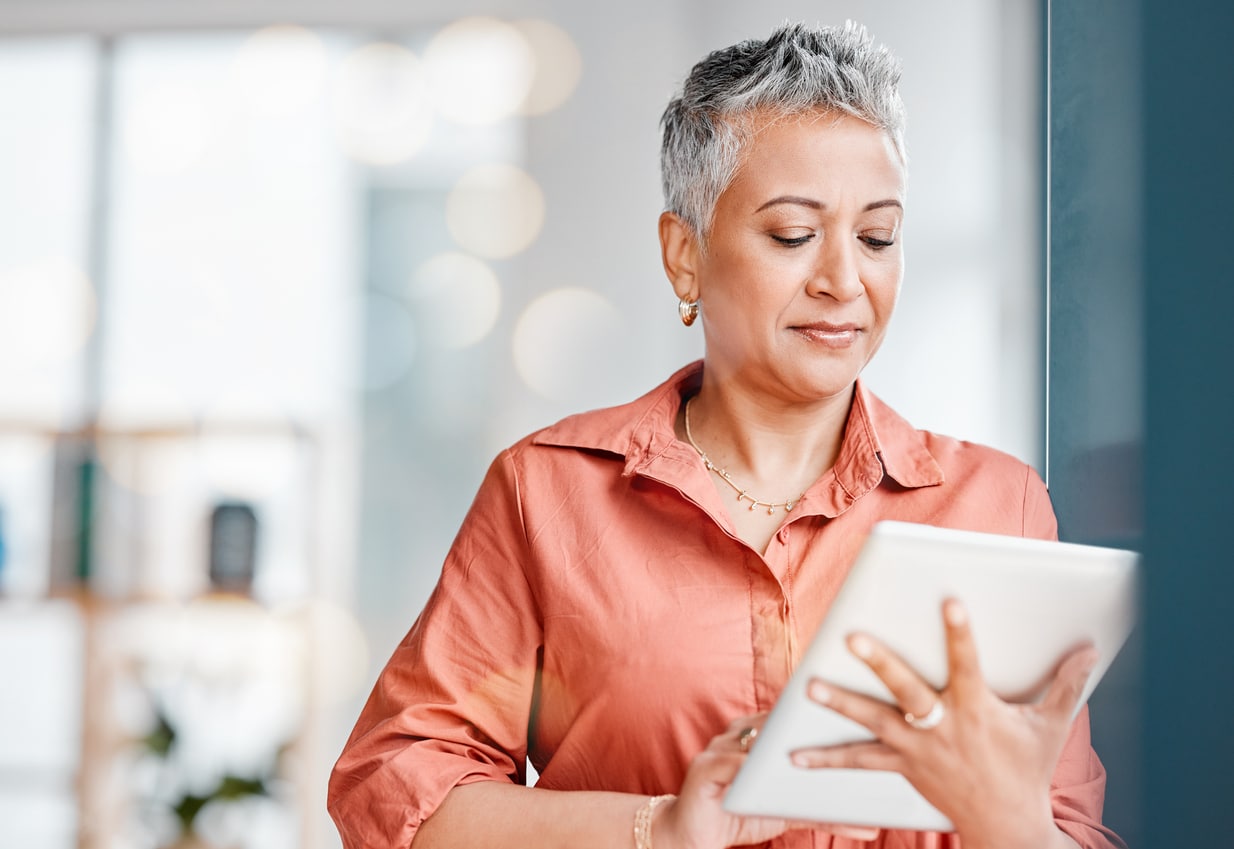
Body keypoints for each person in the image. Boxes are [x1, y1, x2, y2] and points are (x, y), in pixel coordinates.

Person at [328, 21, 1125, 849]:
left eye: (877, 237)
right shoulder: (547, 492)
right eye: (793, 235)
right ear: (685, 256)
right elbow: (395, 795)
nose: (844, 280)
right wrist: (661, 828)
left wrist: (1008, 817)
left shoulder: (1000, 505)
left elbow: (1075, 831)